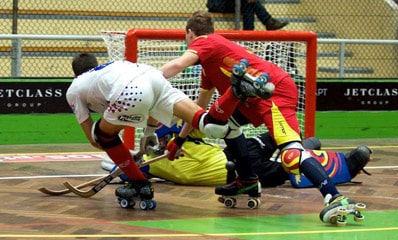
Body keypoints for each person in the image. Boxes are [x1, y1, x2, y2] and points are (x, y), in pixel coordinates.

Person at [159, 11, 369, 223]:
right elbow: (199, 109)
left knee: (291, 155)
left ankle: (335, 198)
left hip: (274, 92)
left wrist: (147, 78)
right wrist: (180, 139)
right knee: (222, 126)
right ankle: (248, 180)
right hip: (251, 99)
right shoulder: (208, 64)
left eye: (186, 37)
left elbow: (177, 65)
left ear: (189, 33)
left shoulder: (206, 41)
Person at [66, 53, 230, 208]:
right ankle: (234, 95)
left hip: (131, 90)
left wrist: (124, 158)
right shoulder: (111, 68)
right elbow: (151, 105)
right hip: (152, 76)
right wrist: (149, 132)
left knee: (102, 135)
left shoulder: (75, 87)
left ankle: (139, 183)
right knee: (207, 123)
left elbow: (93, 139)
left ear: (75, 74)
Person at [101, 123, 372, 189]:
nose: (162, 142)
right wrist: (125, 164)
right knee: (285, 170)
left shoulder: (184, 138)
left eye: (164, 137)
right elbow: (131, 173)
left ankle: (300, 145)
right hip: (237, 174)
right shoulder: (154, 165)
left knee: (276, 136)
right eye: (158, 140)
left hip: (235, 153)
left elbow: (196, 121)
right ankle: (341, 164)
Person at [206, 0, 289, 30]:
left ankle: (248, 34)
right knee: (249, 3)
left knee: (249, 5)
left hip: (235, 3)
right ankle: (268, 22)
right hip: (218, 4)